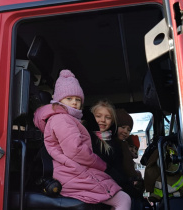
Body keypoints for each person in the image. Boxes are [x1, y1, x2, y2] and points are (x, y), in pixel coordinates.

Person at [33, 70, 131, 209]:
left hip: (73, 172)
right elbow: (76, 150)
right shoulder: (62, 120)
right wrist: (100, 164)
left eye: (78, 100)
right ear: (59, 99)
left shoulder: (65, 119)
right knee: (123, 199)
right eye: (69, 99)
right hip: (72, 174)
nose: (74, 103)